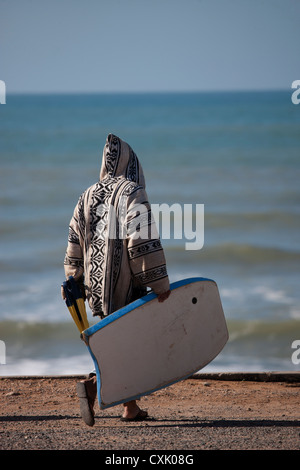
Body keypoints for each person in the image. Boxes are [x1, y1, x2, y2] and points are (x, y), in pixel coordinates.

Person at [62, 133, 170, 426]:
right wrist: (158, 281)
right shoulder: (132, 191)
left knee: (123, 342)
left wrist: (73, 279)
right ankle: (93, 385)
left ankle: (130, 408)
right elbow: (141, 240)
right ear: (132, 164)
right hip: (127, 281)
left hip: (96, 285)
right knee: (132, 343)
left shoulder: (87, 193)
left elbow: (75, 239)